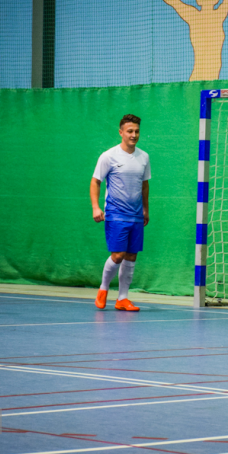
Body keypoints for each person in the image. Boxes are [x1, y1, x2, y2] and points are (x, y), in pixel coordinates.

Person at [135, 0, 228, 81]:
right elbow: (173, 0)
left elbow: (227, 2)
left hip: (212, 82)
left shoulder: (217, 15)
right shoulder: (196, 16)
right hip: (197, 81)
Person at [90, 114, 151, 311]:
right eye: (130, 131)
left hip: (136, 215)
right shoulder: (108, 156)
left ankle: (122, 298)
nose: (134, 135)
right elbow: (96, 182)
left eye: (137, 131)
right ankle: (103, 288)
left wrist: (145, 209)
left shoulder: (144, 157)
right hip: (115, 214)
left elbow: (144, 185)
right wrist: (96, 207)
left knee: (131, 256)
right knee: (118, 255)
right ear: (121, 132)